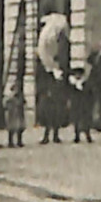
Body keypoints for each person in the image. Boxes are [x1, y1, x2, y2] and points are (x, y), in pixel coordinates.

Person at [35, 13, 71, 144]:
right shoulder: (53, 38)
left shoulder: (47, 37)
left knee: (53, 109)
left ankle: (51, 134)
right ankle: (50, 134)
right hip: (53, 78)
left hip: (52, 78)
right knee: (52, 109)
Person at [67, 65, 95, 143]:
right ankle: (77, 136)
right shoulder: (72, 84)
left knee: (86, 120)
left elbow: (90, 93)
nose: (78, 76)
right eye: (76, 74)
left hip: (84, 104)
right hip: (76, 104)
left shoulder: (85, 83)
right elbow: (70, 94)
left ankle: (87, 135)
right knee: (76, 119)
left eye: (79, 74)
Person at [4, 79, 27, 148]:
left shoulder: (20, 95)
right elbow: (7, 104)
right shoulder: (10, 96)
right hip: (13, 113)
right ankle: (10, 142)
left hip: (19, 113)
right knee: (12, 128)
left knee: (20, 127)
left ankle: (19, 141)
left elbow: (24, 102)